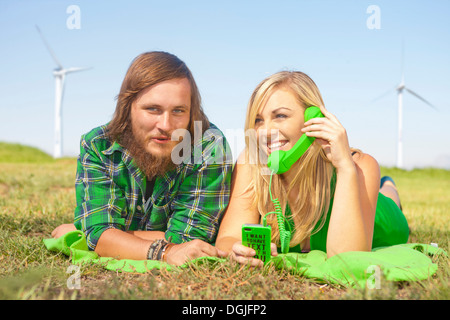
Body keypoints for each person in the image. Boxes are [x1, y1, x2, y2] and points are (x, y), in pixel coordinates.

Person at [51, 51, 233, 266]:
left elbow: (189, 240)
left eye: (178, 111)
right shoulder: (99, 146)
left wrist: (110, 235)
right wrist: (164, 252)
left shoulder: (208, 146)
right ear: (127, 107)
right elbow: (99, 234)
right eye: (153, 109)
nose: (165, 125)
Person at [215, 71, 409, 267]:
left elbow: (347, 260)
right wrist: (237, 248)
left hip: (383, 219)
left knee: (389, 194)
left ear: (313, 118)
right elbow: (227, 237)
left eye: (280, 116)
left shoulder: (359, 166)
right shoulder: (254, 162)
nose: (265, 132)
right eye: (258, 120)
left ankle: (389, 185)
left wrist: (345, 168)